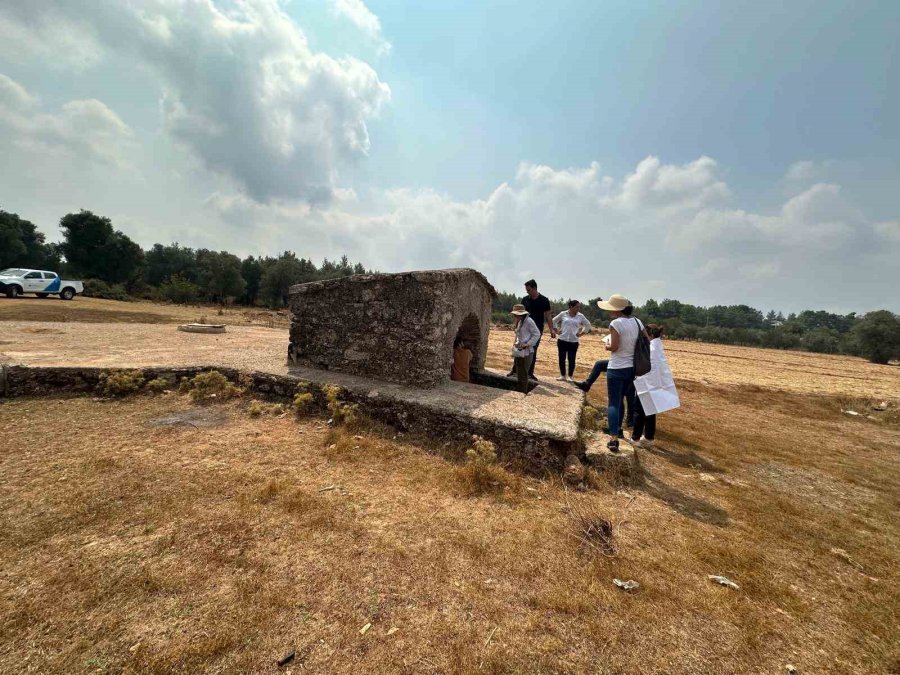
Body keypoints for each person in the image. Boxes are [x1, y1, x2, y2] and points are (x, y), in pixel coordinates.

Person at [586, 294, 648, 452]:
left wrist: (607, 345)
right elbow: (646, 339)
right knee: (622, 401)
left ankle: (613, 439)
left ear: (617, 310)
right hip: (631, 369)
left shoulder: (615, 323)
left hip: (616, 367)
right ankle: (618, 430)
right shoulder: (637, 321)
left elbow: (614, 347)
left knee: (614, 403)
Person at [630, 324, 680, 448]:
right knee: (651, 411)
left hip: (646, 384)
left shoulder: (649, 348)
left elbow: (642, 365)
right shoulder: (657, 347)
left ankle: (635, 438)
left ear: (649, 335)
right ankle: (649, 438)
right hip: (655, 384)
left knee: (639, 412)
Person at [507, 279, 555, 380]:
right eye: (526, 290)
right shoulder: (525, 300)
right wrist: (516, 326)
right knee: (518, 348)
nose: (527, 292)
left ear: (534, 288)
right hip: (524, 328)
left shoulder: (544, 300)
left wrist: (552, 329)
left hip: (536, 330)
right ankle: (514, 370)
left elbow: (548, 316)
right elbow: (519, 314)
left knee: (532, 350)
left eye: (529, 290)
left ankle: (529, 373)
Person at [552, 300, 592, 381]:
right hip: (562, 340)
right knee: (561, 358)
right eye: (577, 307)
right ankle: (562, 375)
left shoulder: (580, 316)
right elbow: (554, 321)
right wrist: (556, 330)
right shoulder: (563, 313)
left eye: (579, 307)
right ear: (571, 306)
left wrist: (581, 333)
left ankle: (570, 376)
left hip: (574, 341)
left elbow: (588, 325)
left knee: (572, 359)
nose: (578, 308)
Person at [510, 303, 540, 394]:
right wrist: (517, 343)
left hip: (527, 351)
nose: (515, 316)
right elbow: (520, 335)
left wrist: (528, 344)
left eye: (516, 315)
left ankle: (523, 391)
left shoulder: (529, 321)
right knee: (519, 373)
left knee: (523, 373)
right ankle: (520, 390)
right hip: (520, 350)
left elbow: (537, 334)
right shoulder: (520, 322)